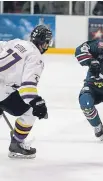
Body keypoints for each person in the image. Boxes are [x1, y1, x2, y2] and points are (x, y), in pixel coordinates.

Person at [0, 25, 52, 159]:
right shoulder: (36, 57)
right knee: (29, 112)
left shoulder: (17, 42)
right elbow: (27, 87)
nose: (47, 46)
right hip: (2, 89)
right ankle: (16, 145)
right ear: (43, 42)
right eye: (47, 42)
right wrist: (37, 103)